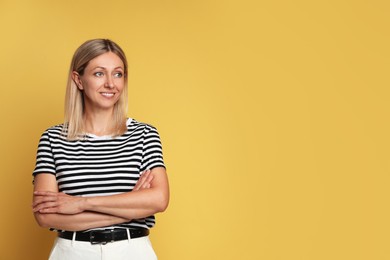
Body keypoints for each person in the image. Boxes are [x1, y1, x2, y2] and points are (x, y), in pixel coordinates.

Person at [32, 39, 169, 260]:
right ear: (78, 79)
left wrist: (80, 204)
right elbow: (45, 217)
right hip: (72, 252)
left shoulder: (144, 135)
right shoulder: (52, 139)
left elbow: (159, 200)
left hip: (132, 251)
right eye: (99, 74)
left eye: (118, 74)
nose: (110, 84)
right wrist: (130, 203)